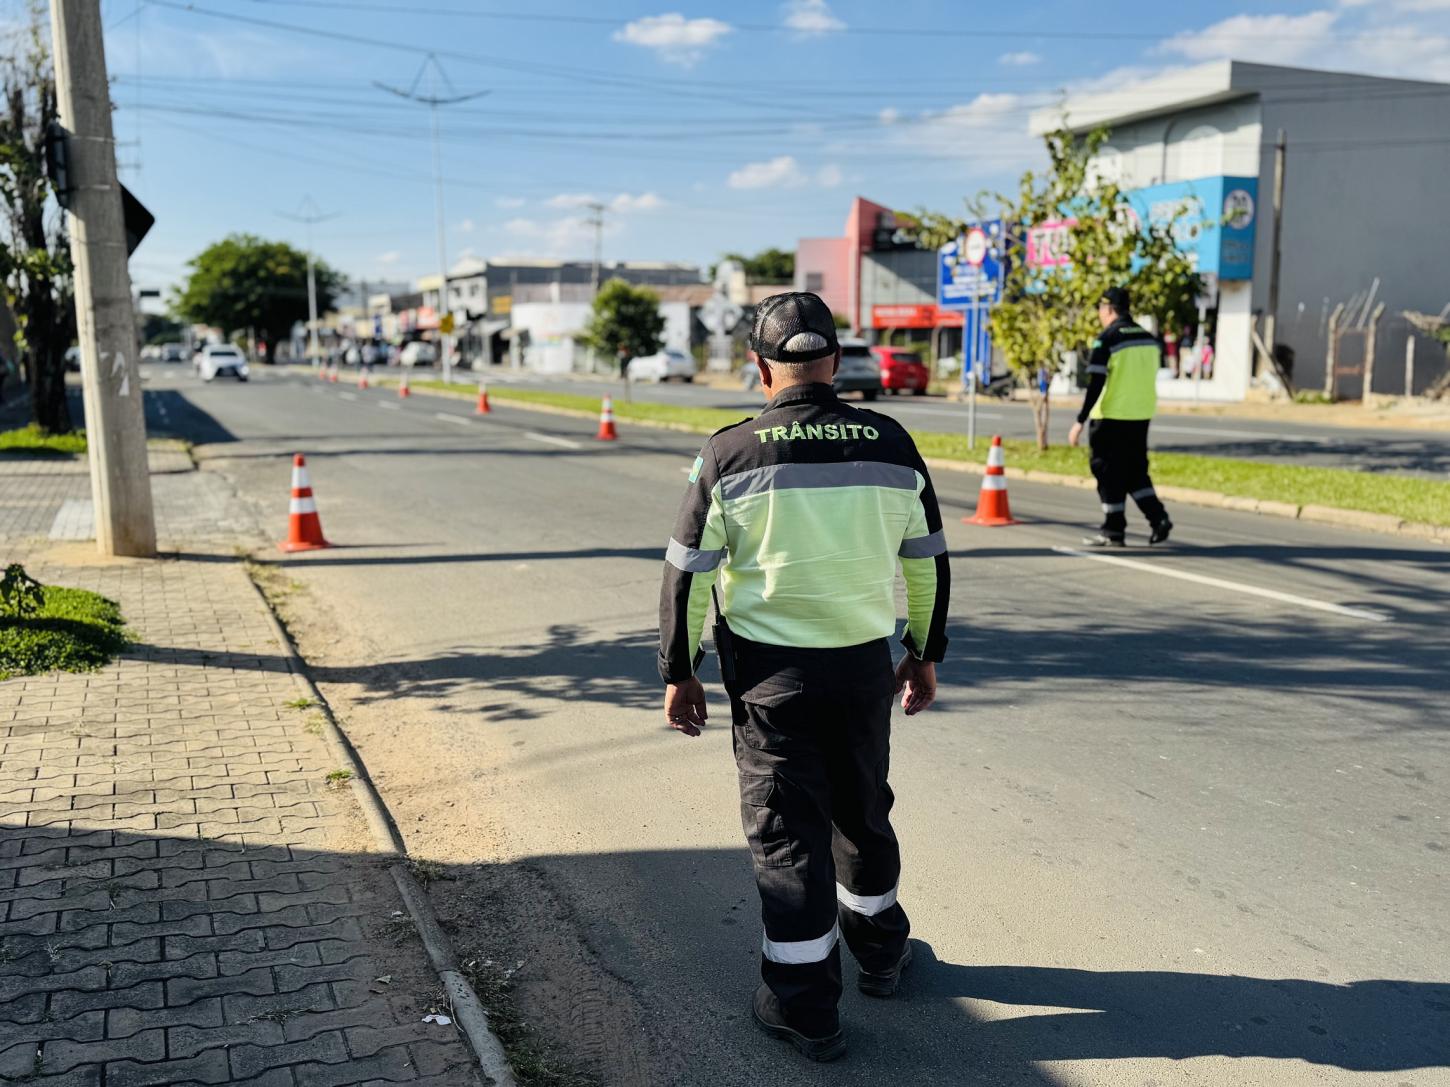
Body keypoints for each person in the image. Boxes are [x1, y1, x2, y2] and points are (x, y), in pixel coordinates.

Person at [656, 292, 951, 1062]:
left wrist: (679, 670)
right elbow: (928, 563)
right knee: (862, 810)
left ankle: (806, 1007)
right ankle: (882, 955)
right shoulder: (891, 443)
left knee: (788, 836)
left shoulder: (729, 454)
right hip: (862, 674)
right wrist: (922, 652)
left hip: (770, 679)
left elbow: (688, 574)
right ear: (839, 364)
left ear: (760, 368)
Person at [1068, 286, 1173, 547]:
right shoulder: (1150, 339)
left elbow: (1095, 385)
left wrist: (1079, 421)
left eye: (1100, 310)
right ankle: (1158, 517)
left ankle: (1113, 530)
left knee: (1105, 471)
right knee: (1135, 471)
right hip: (1140, 415)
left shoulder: (1107, 339)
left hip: (1111, 415)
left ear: (1108, 309)